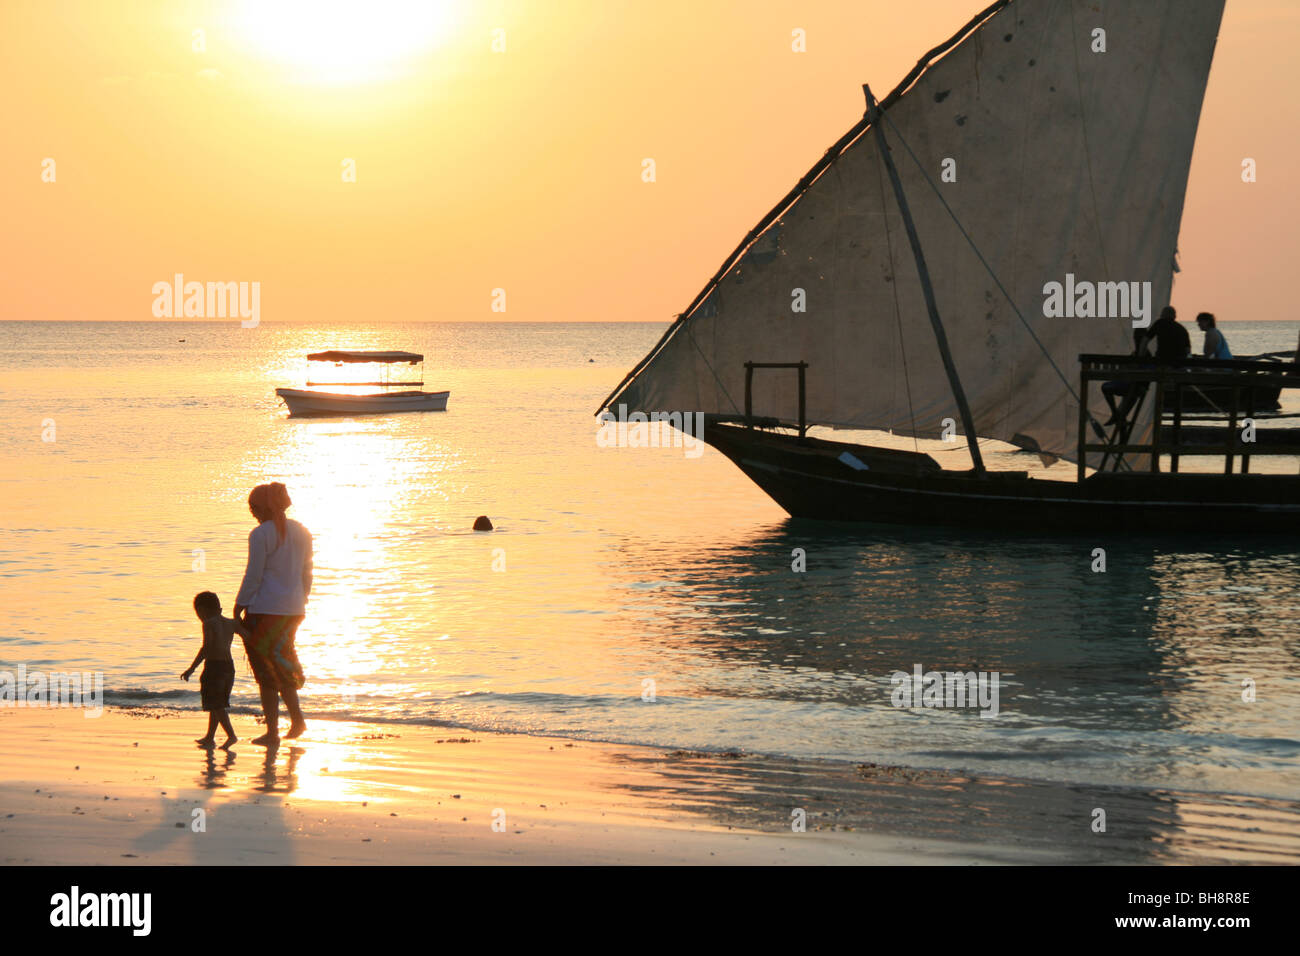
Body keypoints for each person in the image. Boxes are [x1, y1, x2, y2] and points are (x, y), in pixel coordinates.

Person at [234, 482, 312, 746]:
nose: (252, 512)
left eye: (253, 507)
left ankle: (273, 732)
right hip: (292, 611)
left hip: (264, 610)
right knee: (281, 664)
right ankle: (297, 719)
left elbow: (254, 575)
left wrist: (239, 604)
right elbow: (307, 572)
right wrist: (302, 600)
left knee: (265, 672)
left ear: (261, 507)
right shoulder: (302, 531)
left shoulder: (260, 534)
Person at [182, 591, 249, 750]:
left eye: (198, 612)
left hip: (214, 667)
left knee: (216, 705)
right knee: (217, 704)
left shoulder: (209, 623)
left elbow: (206, 648)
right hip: (229, 668)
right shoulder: (231, 623)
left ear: (202, 610)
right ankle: (210, 737)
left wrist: (191, 668)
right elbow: (248, 636)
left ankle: (231, 735)